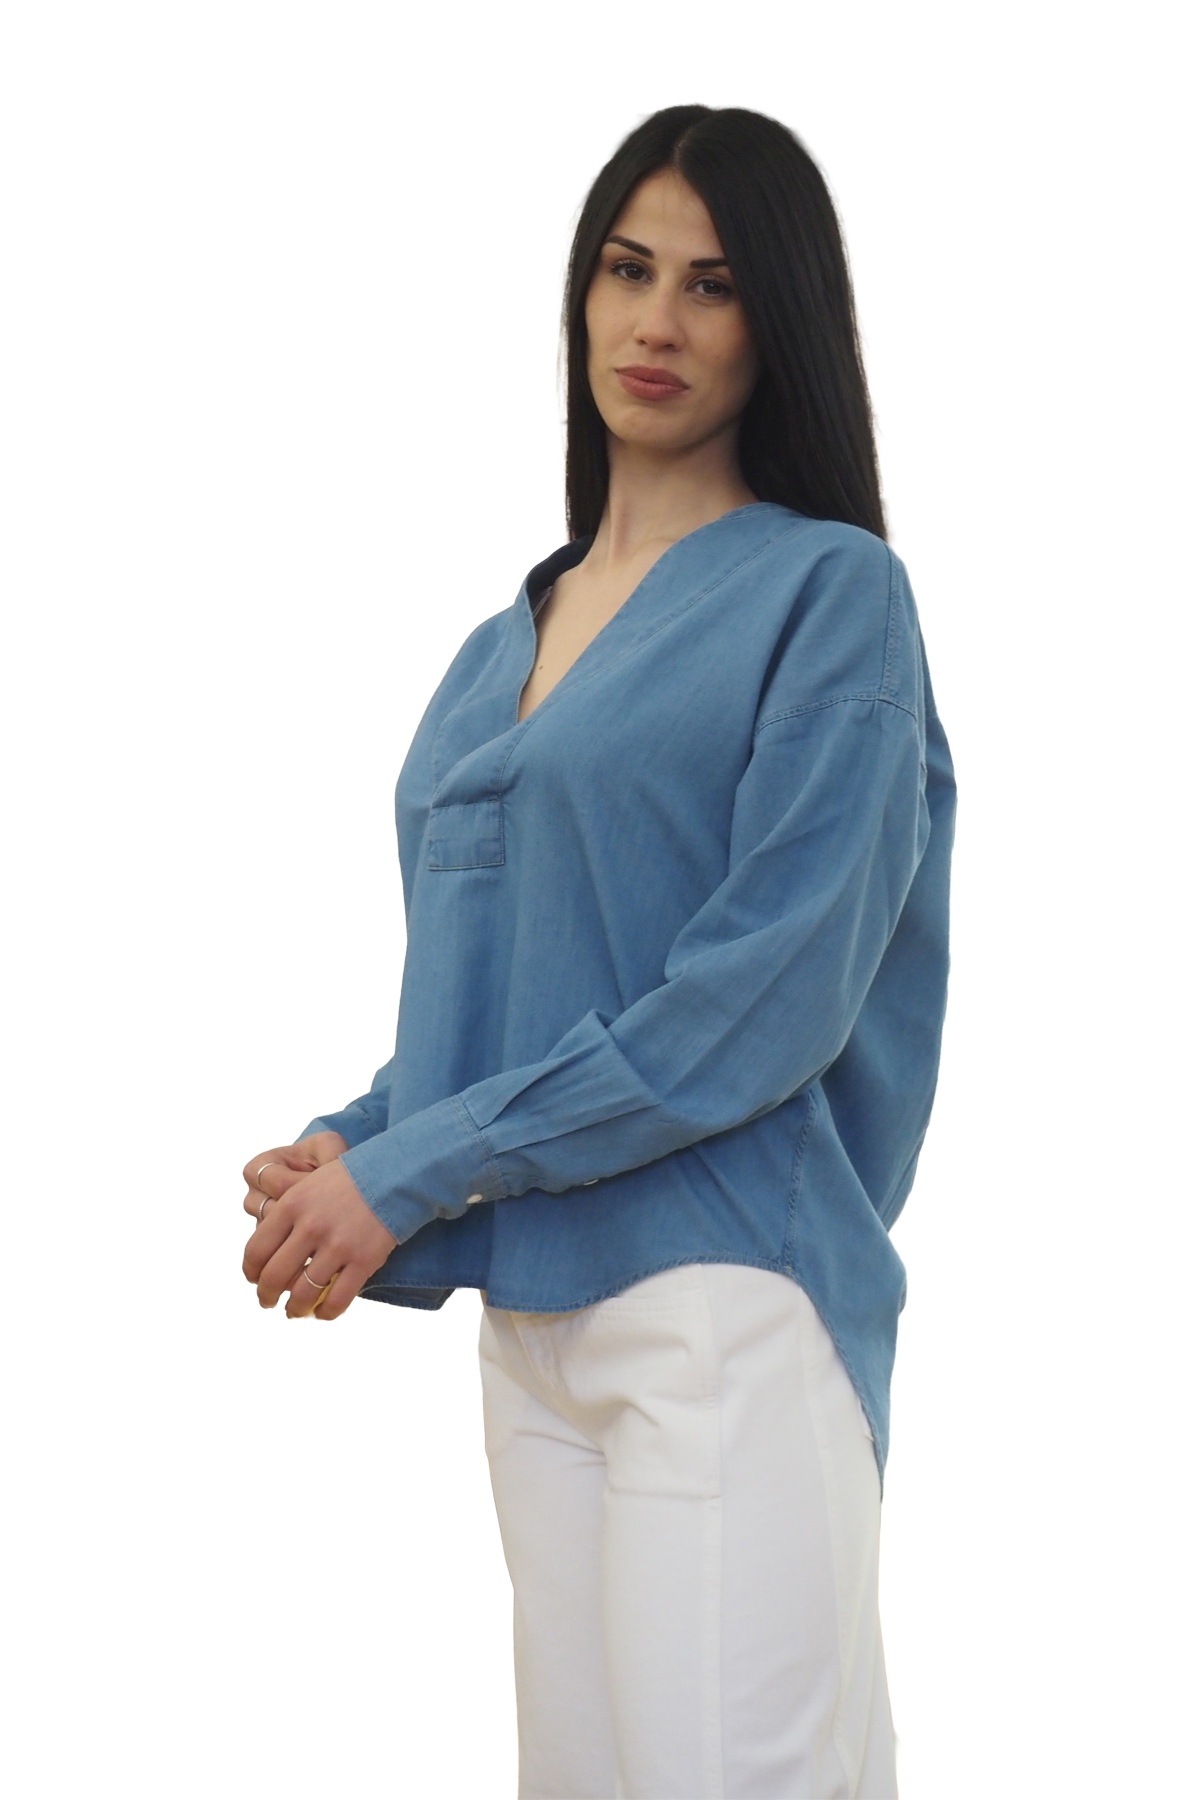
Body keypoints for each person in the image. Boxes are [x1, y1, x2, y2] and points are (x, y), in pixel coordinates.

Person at [241, 103, 955, 1800]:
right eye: (628, 271)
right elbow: (505, 997)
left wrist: (420, 1167)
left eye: (713, 285)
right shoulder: (503, 638)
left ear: (778, 324)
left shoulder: (829, 595)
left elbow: (761, 999)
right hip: (534, 1319)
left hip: (723, 1297)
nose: (657, 322)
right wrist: (361, 1134)